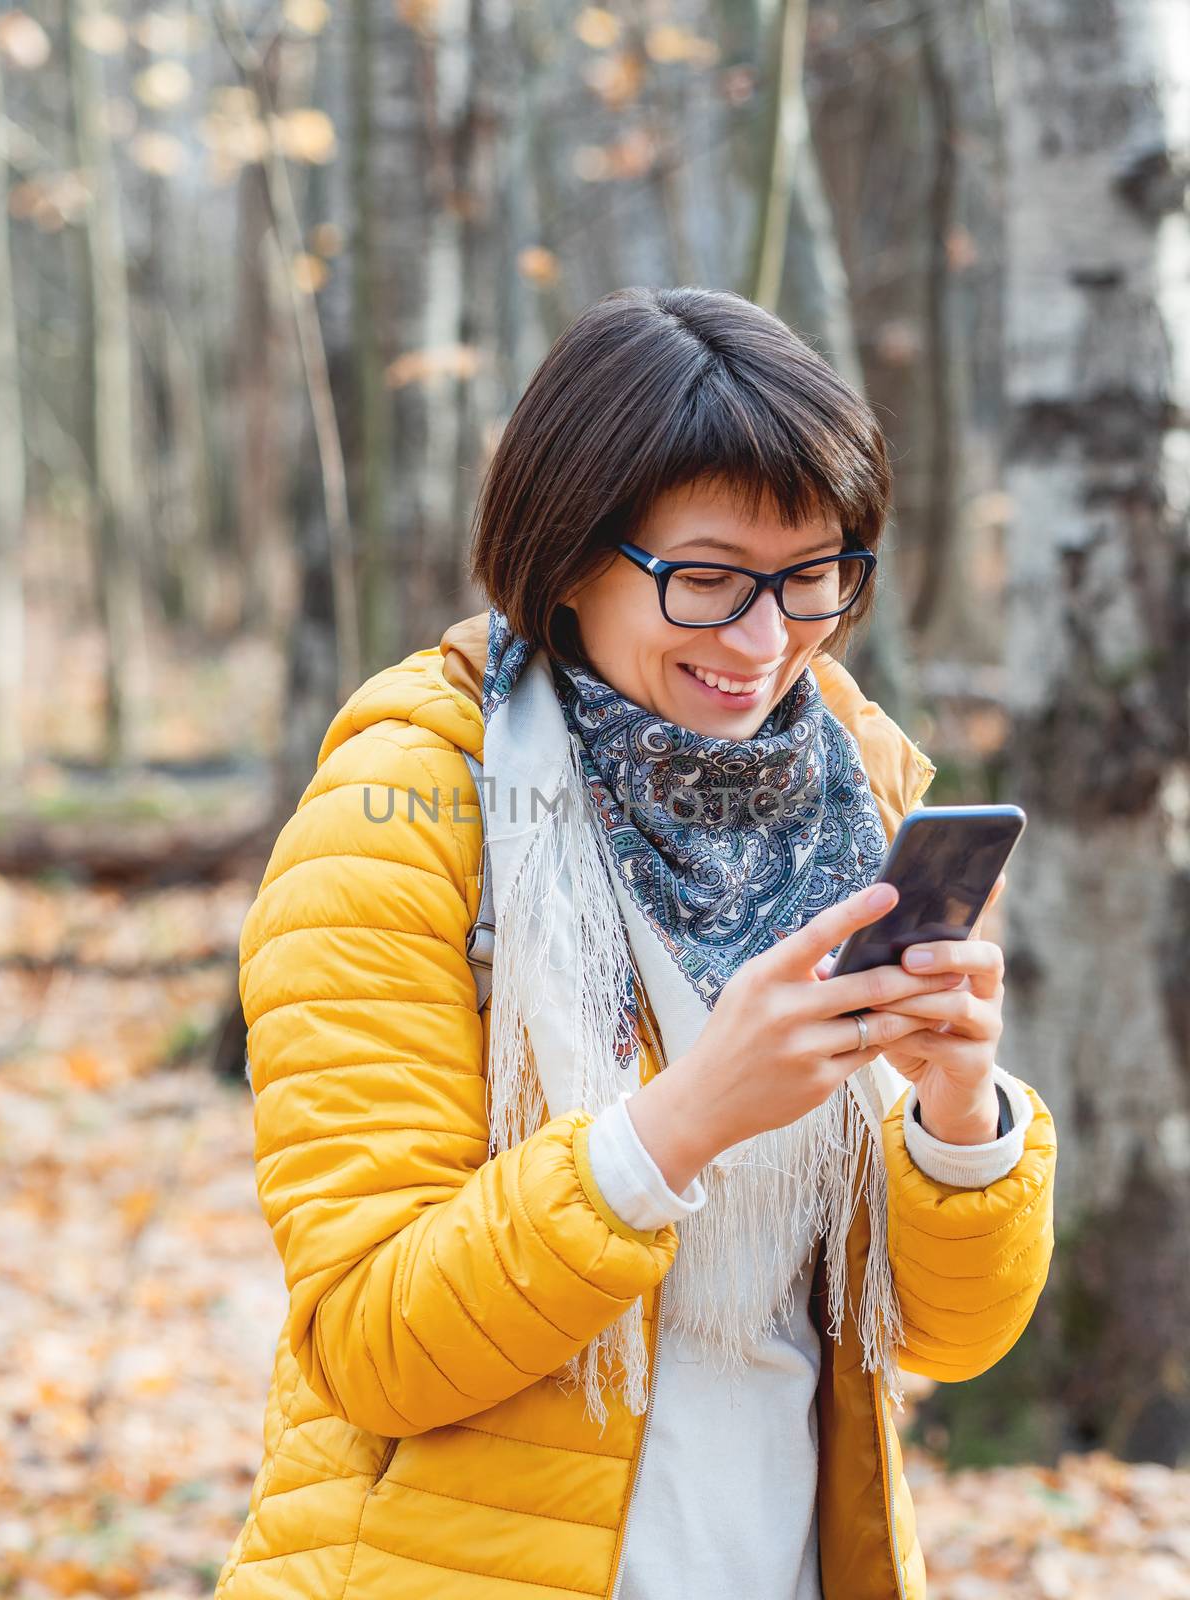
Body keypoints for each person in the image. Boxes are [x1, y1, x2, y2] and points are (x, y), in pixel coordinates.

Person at [216, 286, 1056, 1600]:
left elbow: (948, 1338)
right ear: (568, 553)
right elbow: (374, 1345)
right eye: (710, 579)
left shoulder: (866, 798)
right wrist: (675, 1129)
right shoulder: (399, 821)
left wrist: (960, 1117)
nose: (765, 640)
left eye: (812, 577)